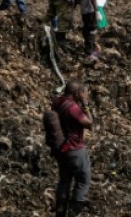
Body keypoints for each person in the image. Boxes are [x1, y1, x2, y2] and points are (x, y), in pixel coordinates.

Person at [51, 80, 93, 217]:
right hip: (75, 150)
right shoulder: (73, 108)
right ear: (76, 93)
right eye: (82, 91)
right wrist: (86, 104)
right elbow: (89, 124)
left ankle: (60, 212)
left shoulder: (58, 102)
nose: (84, 93)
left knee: (65, 180)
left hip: (62, 149)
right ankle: (74, 212)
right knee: (83, 178)